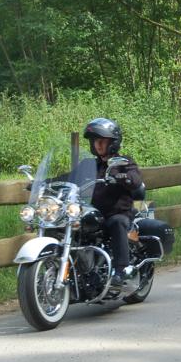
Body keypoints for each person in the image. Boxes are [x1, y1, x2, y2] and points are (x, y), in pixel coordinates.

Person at [48, 118, 144, 287]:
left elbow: (135, 180)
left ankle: (120, 270)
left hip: (117, 213)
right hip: (93, 212)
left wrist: (122, 176)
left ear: (113, 142)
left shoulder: (124, 162)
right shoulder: (89, 164)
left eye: (102, 141)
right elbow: (70, 177)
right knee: (67, 225)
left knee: (117, 222)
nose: (98, 145)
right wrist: (45, 183)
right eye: (95, 141)